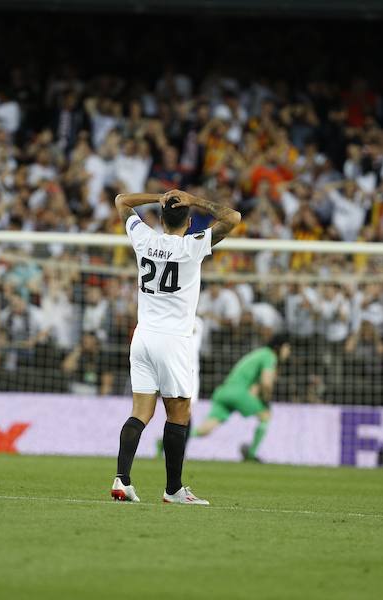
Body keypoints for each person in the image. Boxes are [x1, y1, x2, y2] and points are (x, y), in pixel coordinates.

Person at [110, 189, 240, 505]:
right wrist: (193, 198)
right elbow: (233, 217)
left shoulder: (144, 239)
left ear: (162, 218)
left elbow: (121, 201)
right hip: (173, 340)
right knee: (179, 415)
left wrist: (160, 196)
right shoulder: (192, 246)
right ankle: (173, 490)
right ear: (190, 220)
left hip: (142, 338)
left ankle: (121, 480)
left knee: (141, 412)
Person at [190, 335, 292, 462]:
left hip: (224, 391)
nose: (289, 352)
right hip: (238, 393)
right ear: (279, 347)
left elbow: (255, 385)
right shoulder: (269, 356)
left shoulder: (259, 353)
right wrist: (266, 399)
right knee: (266, 415)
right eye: (287, 348)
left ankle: (167, 442)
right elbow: (266, 382)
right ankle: (251, 454)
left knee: (204, 430)